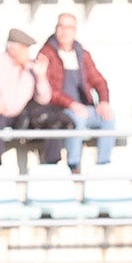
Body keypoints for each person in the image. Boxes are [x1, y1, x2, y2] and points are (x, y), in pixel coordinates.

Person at [0, 29, 58, 166]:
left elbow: (44, 99)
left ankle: (52, 165)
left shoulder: (31, 69)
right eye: (24, 49)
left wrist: (41, 77)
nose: (28, 54)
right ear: (12, 49)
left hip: (17, 115)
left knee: (50, 119)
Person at [38, 13, 114, 173]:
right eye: (61, 26)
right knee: (76, 121)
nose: (65, 31)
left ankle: (103, 165)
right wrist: (71, 104)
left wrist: (104, 101)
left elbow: (99, 81)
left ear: (75, 31)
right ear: (56, 29)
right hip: (60, 109)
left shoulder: (82, 54)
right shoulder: (47, 53)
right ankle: (74, 165)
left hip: (84, 107)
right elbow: (49, 90)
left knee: (108, 117)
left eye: (69, 27)